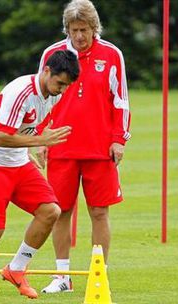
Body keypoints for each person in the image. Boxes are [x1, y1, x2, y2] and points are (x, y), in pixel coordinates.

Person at [0, 50, 80, 304]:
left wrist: (35, 147)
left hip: (16, 160)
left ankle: (16, 269)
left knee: (51, 211)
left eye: (66, 86)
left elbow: (33, 126)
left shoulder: (53, 96)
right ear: (46, 71)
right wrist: (40, 140)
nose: (61, 91)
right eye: (60, 83)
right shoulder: (20, 92)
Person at [37, 0, 131, 294]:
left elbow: (121, 101)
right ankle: (62, 276)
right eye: (74, 30)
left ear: (94, 28)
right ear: (67, 29)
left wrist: (119, 139)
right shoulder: (52, 54)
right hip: (61, 146)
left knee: (99, 212)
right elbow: (40, 97)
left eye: (85, 30)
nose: (79, 36)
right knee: (60, 210)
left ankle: (98, 274)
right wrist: (40, 136)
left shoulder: (111, 54)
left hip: (99, 148)